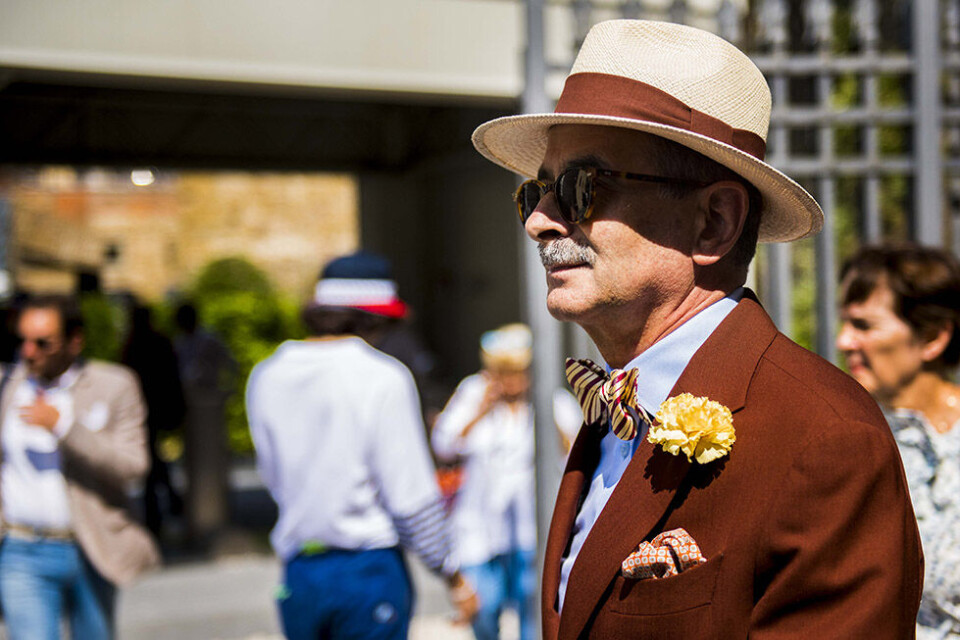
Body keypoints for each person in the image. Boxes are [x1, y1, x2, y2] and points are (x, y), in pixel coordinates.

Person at [471, 19, 922, 639]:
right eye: (537, 192)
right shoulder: (613, 409)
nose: (541, 222)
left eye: (582, 187)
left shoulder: (824, 436)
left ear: (714, 221)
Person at [245, 251, 478, 640]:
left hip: (299, 569)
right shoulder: (382, 376)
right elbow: (410, 498)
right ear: (374, 318)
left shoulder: (266, 374)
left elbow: (271, 476)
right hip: (368, 569)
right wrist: (451, 574)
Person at [0, 295, 159, 639]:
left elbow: (133, 465)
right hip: (21, 549)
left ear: (75, 340)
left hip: (91, 546)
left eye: (43, 343)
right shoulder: (6, 385)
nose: (29, 352)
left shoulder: (114, 385)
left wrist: (64, 427)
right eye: (23, 340)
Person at [837, 243, 960, 638]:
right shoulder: (842, 439)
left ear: (931, 338)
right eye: (845, 324)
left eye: (863, 326)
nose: (843, 341)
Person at [432, 323, 580, 640]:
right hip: (479, 528)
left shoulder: (552, 399)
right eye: (503, 372)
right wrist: (480, 410)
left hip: (530, 531)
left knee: (532, 610)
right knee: (484, 608)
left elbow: (574, 457)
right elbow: (444, 444)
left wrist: (546, 416)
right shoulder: (473, 392)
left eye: (518, 372)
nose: (511, 381)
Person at [122, 302, 186, 539]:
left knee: (152, 461)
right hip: (150, 407)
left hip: (148, 408)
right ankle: (170, 502)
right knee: (153, 460)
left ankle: (163, 507)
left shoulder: (134, 344)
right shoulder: (152, 341)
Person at [173, 301, 235, 546]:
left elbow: (231, 364)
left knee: (213, 465)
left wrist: (223, 392)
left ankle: (214, 520)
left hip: (208, 406)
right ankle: (196, 523)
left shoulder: (208, 340)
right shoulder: (179, 343)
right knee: (193, 467)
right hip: (190, 407)